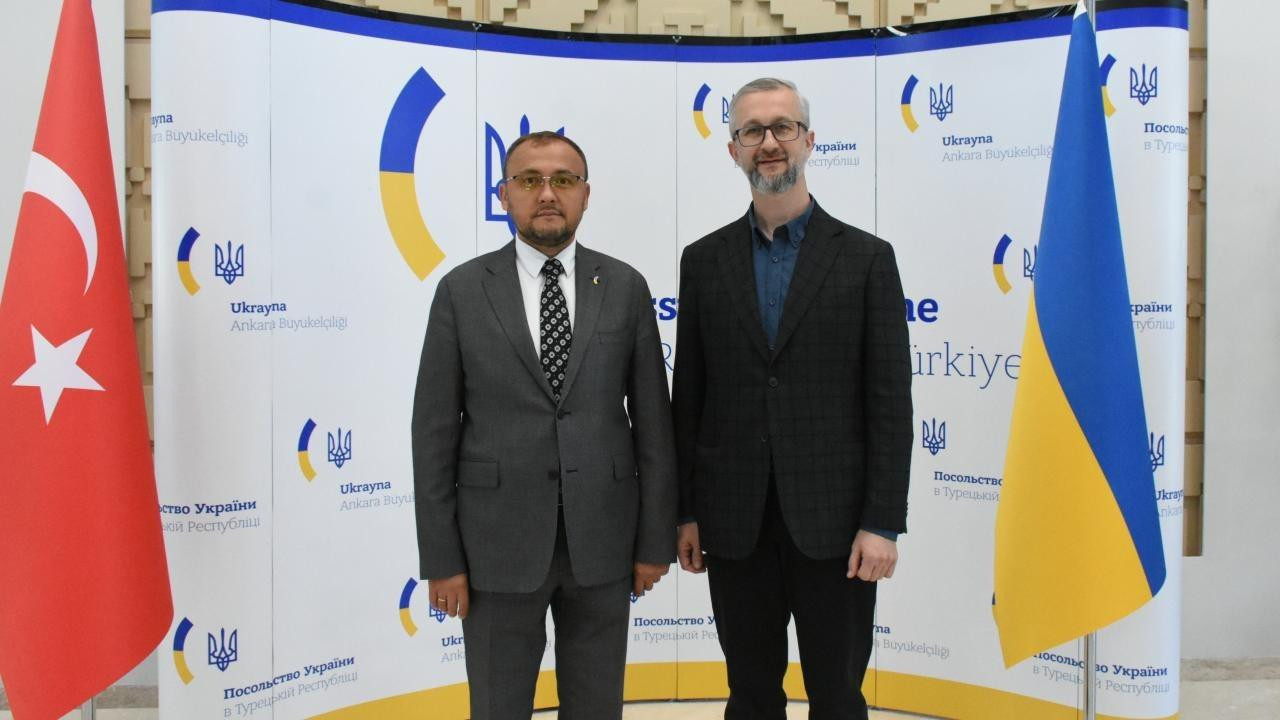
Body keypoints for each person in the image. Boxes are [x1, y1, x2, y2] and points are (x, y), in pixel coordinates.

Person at [412, 131, 677, 720]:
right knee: (498, 707)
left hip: (604, 542)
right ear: (504, 195)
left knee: (596, 707)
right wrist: (442, 559)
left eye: (564, 180)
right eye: (530, 180)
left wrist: (654, 541)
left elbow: (654, 427)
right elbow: (432, 436)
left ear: (586, 194)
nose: (548, 193)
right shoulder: (461, 291)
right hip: (494, 547)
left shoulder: (626, 287)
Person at [672, 78, 913, 720]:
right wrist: (685, 511)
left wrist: (881, 522)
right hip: (734, 523)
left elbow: (890, 402)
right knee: (751, 696)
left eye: (783, 127)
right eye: (752, 131)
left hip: (838, 526)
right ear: (733, 150)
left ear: (809, 140)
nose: (769, 142)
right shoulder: (703, 261)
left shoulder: (867, 259)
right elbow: (688, 397)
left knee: (837, 697)